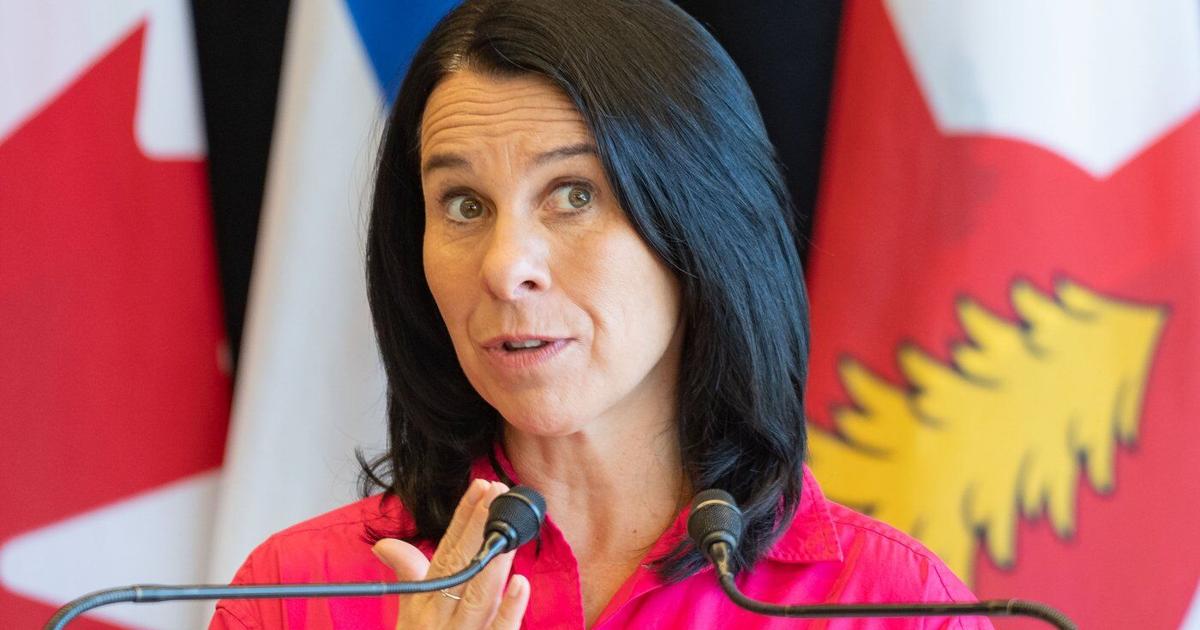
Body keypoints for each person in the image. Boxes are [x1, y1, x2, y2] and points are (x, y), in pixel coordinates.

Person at [211, 0, 988, 628]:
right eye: (464, 204)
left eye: (574, 195)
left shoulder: (889, 605)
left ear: (703, 227)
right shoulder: (298, 595)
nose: (504, 266)